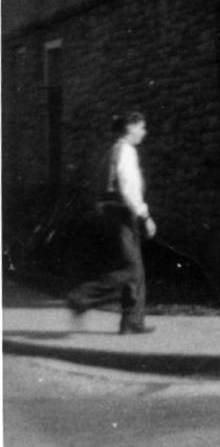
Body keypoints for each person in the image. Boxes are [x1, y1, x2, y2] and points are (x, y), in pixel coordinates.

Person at [67, 112, 157, 334]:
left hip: (111, 213)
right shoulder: (126, 151)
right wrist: (145, 216)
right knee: (130, 269)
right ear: (131, 127)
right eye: (142, 128)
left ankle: (131, 322)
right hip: (122, 215)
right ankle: (81, 298)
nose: (144, 133)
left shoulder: (113, 150)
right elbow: (128, 188)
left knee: (135, 268)